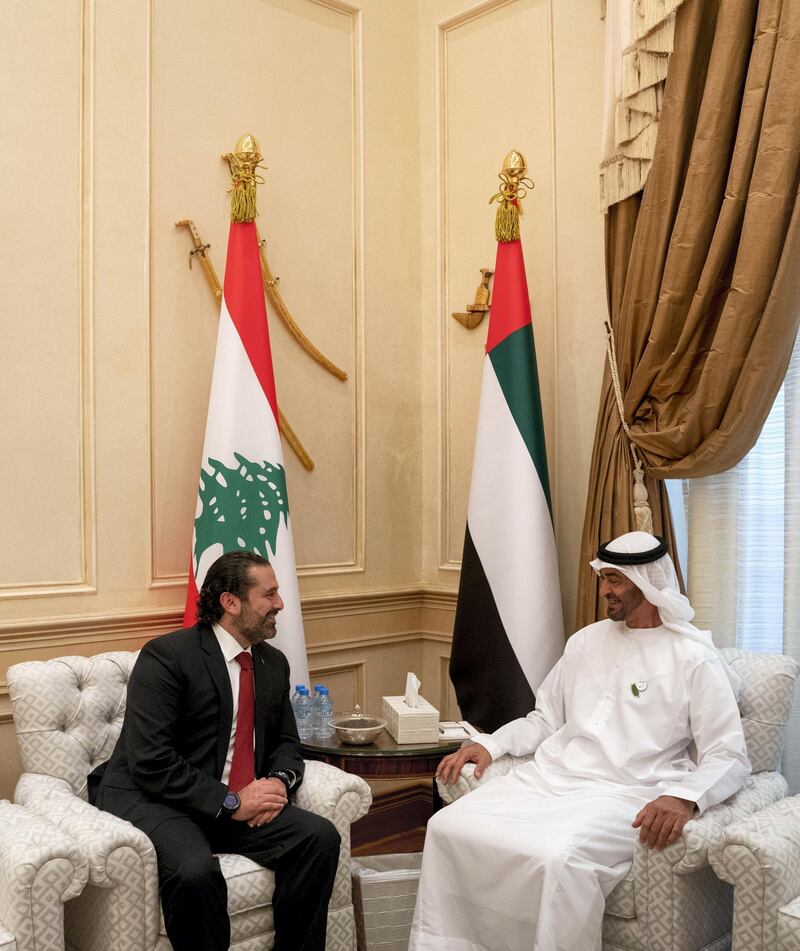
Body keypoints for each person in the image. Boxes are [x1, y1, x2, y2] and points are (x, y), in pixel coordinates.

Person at [409, 531, 750, 951]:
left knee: (555, 858)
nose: (604, 590)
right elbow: (545, 719)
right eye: (603, 578)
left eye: (614, 580)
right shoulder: (585, 641)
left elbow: (729, 753)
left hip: (625, 795)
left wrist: (685, 798)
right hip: (550, 780)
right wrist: (493, 744)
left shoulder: (693, 658)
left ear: (646, 582)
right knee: (448, 825)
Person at [90, 550, 340, 951]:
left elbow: (286, 743)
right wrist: (229, 802)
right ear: (230, 602)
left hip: (236, 798)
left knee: (318, 837)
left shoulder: (272, 663)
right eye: (269, 594)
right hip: (160, 798)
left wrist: (276, 783)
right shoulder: (168, 656)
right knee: (194, 873)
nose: (280, 604)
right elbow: (150, 760)